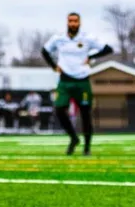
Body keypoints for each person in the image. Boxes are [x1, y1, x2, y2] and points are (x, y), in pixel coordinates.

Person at [43, 12, 113, 155]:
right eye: (70, 21)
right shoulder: (59, 39)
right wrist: (53, 66)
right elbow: (44, 51)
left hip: (82, 81)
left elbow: (108, 49)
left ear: (79, 23)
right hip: (65, 81)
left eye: (76, 21)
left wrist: (91, 56)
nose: (73, 23)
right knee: (59, 110)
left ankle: (87, 148)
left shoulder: (87, 38)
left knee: (85, 114)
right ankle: (74, 138)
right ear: (67, 22)